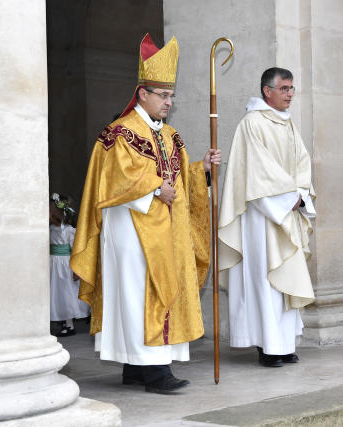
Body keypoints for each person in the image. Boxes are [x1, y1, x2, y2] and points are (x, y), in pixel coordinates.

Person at [70, 33, 221, 394]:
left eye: (172, 96)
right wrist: (153, 189)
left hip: (163, 228)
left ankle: (135, 368)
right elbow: (112, 178)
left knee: (144, 294)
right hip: (131, 228)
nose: (170, 102)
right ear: (142, 94)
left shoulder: (170, 135)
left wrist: (201, 171)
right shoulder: (119, 133)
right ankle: (155, 371)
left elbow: (179, 177)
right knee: (138, 293)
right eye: (164, 96)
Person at [218, 67, 316, 368]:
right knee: (265, 280)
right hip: (262, 216)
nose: (289, 94)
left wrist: (300, 193)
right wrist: (288, 197)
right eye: (284, 88)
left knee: (286, 276)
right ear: (267, 91)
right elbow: (258, 172)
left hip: (286, 211)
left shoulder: (288, 125)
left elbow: (303, 162)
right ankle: (267, 346)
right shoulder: (252, 123)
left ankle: (284, 344)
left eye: (291, 89)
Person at [49, 193, 90, 337]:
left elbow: (76, 251)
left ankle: (69, 324)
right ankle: (60, 319)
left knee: (66, 293)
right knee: (56, 294)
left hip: (64, 265)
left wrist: (76, 269)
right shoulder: (50, 229)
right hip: (52, 264)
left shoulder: (69, 231)